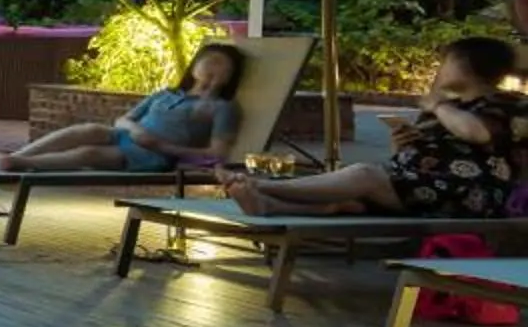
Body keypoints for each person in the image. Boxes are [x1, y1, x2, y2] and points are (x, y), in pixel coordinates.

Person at [224, 35, 527, 218]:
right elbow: (414, 152)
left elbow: (477, 133)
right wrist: (401, 142)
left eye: (447, 61)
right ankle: (269, 206)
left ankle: (262, 186)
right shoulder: (450, 106)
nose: (441, 69)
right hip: (420, 184)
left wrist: (438, 105)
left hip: (470, 194)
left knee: (363, 175)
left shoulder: (508, 103)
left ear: (470, 66)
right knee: (349, 200)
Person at [0, 42, 244, 175]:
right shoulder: (165, 94)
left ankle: (24, 163)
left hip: (153, 155)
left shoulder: (223, 107)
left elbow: (217, 153)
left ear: (230, 76)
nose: (214, 68)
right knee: (88, 130)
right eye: (210, 61)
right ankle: (19, 155)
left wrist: (160, 146)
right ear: (195, 66)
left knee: (89, 153)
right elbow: (122, 119)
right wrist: (136, 130)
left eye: (223, 66)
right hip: (130, 136)